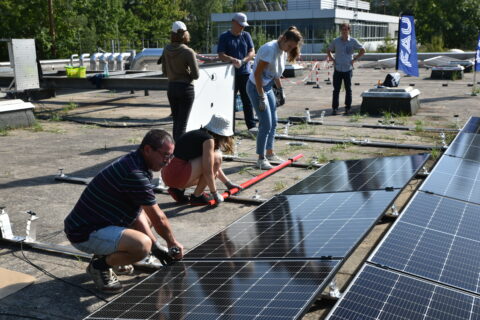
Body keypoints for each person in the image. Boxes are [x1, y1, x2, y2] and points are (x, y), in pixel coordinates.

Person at [64, 129, 184, 293]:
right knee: (141, 246)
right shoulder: (134, 173)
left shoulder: (136, 162)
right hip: (83, 233)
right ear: (148, 150)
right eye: (165, 155)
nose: (168, 161)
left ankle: (109, 255)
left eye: (171, 156)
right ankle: (99, 266)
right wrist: (171, 243)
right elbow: (159, 219)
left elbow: (138, 213)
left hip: (99, 223)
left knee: (145, 220)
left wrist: (157, 247)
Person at [246, 26, 303, 170]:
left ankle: (270, 152)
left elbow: (276, 73)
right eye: (289, 46)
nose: (289, 49)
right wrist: (261, 97)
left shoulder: (283, 51)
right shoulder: (269, 49)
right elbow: (258, 74)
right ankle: (260, 158)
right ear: (284, 39)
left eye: (292, 47)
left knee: (274, 122)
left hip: (268, 87)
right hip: (255, 87)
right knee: (265, 124)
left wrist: (281, 90)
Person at [161, 114, 242, 206]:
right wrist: (214, 193)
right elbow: (209, 170)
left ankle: (178, 190)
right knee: (217, 158)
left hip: (168, 174)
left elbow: (212, 165)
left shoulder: (198, 134)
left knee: (213, 165)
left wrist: (228, 183)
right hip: (176, 174)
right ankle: (197, 197)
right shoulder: (208, 140)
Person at [217, 12, 257, 133]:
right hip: (230, 74)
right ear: (233, 22)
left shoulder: (246, 35)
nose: (242, 27)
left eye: (244, 25)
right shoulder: (224, 36)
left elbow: (252, 51)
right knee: (229, 101)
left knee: (247, 100)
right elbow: (221, 54)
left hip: (245, 73)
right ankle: (229, 127)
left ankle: (251, 126)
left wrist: (243, 61)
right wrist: (232, 59)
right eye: (240, 25)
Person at [161, 21, 200, 141]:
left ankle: (173, 150)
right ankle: (180, 153)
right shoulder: (188, 51)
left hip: (171, 88)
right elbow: (196, 75)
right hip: (186, 89)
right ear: (185, 34)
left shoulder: (166, 50)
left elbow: (164, 72)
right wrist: (185, 72)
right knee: (183, 124)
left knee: (176, 122)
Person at [326, 23, 365, 115]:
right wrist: (332, 59)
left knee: (348, 89)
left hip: (348, 68)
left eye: (346, 29)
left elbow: (363, 50)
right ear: (341, 30)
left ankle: (348, 108)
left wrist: (355, 59)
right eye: (343, 29)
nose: (344, 31)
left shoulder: (353, 41)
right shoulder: (336, 41)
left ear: (349, 30)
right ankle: (335, 108)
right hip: (338, 68)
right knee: (336, 90)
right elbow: (328, 50)